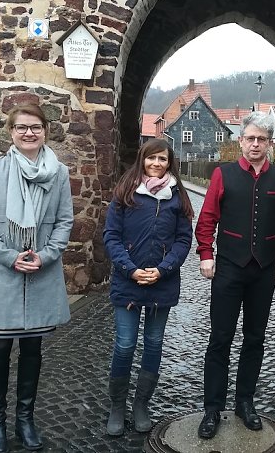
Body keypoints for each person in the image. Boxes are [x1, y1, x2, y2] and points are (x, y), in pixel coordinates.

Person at [0, 103, 74, 453]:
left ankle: (25, 420)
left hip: (42, 271)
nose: (29, 133)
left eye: (36, 127)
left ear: (45, 130)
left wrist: (46, 255)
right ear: (10, 133)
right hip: (3, 271)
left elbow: (63, 222)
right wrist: (10, 257)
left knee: (33, 348)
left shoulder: (59, 173)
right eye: (21, 127)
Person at [194, 111, 275, 439]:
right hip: (228, 269)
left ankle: (245, 402)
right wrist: (206, 254)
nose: (255, 144)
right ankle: (212, 408)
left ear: (270, 144)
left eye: (261, 140)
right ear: (241, 141)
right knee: (220, 339)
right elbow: (207, 218)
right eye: (250, 138)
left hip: (264, 270)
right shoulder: (222, 175)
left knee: (255, 339)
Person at [102, 139, 194, 436]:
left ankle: (141, 405)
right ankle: (117, 406)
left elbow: (183, 240)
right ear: (142, 159)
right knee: (125, 343)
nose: (157, 163)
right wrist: (130, 270)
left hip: (161, 283)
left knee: (153, 343)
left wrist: (164, 269)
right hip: (128, 282)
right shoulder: (125, 193)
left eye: (163, 159)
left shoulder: (178, 197)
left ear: (170, 163)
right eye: (152, 158)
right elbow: (111, 236)